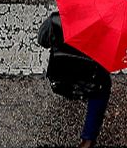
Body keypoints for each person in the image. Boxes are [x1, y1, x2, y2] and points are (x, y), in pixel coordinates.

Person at [38, 12, 112, 148]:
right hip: (90, 82)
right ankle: (88, 139)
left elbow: (42, 40)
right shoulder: (109, 29)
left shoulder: (56, 20)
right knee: (104, 84)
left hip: (61, 77)